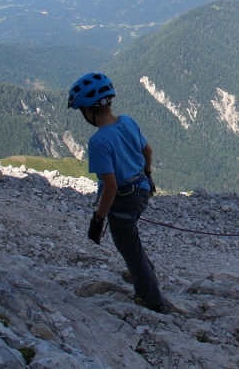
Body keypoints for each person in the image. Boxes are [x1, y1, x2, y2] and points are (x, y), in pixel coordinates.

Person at [67, 72, 166, 313]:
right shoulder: (128, 121)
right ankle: (145, 271)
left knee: (128, 249)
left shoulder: (99, 142)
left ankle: (152, 301)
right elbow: (148, 152)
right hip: (141, 189)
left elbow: (110, 187)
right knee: (131, 238)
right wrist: (149, 176)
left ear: (88, 111)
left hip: (123, 199)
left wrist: (98, 217)